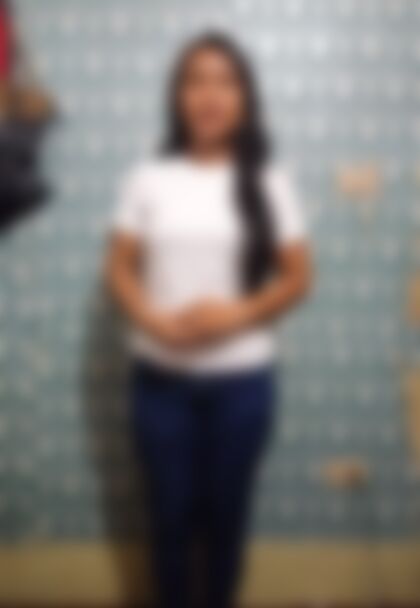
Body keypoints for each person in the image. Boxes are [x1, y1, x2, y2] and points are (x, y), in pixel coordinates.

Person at [106, 32, 312, 608]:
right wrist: (151, 322)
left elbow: (299, 278)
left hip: (242, 386)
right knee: (168, 520)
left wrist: (237, 314)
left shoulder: (269, 179)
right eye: (195, 81)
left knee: (226, 521)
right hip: (159, 385)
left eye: (225, 81)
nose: (210, 95)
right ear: (178, 96)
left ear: (245, 97)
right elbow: (118, 268)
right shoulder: (148, 178)